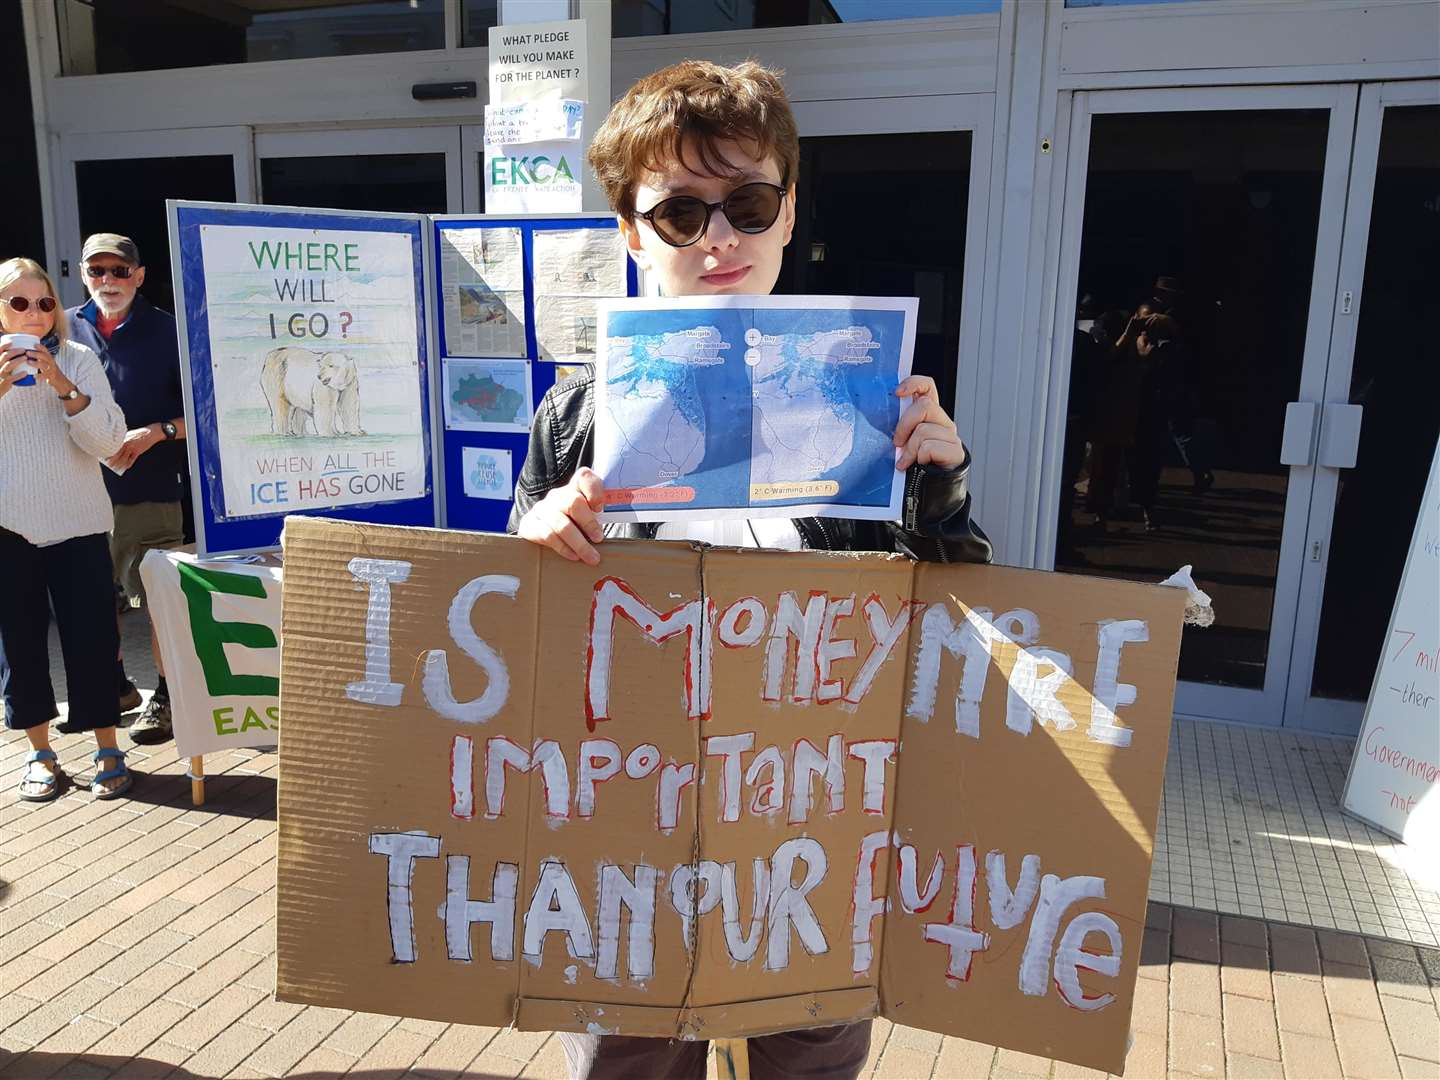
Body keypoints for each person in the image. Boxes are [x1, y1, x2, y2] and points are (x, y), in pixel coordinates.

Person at [508, 59, 991, 1080]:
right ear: (632, 233)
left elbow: (958, 613)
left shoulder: (869, 398)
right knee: (628, 1060)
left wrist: (940, 488)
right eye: (680, 213)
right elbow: (517, 641)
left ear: (789, 214)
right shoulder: (573, 418)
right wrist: (536, 539)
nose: (718, 239)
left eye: (747, 204)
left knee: (809, 1057)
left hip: (805, 833)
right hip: (625, 833)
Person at [0, 257, 133, 800]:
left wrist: (61, 384)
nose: (34, 314)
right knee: (20, 645)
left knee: (93, 641)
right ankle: (40, 753)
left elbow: (109, 443)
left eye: (45, 303)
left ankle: (107, 746)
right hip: (9, 528)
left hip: (77, 523)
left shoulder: (79, 358)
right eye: (19, 303)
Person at [66, 234, 187, 746]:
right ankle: (114, 690)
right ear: (84, 276)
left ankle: (167, 695)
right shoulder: (60, 327)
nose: (108, 282)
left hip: (152, 490)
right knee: (96, 603)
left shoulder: (169, 332)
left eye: (119, 271)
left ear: (139, 274)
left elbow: (209, 414)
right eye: (97, 272)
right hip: (77, 491)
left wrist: (157, 431)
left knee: (159, 602)